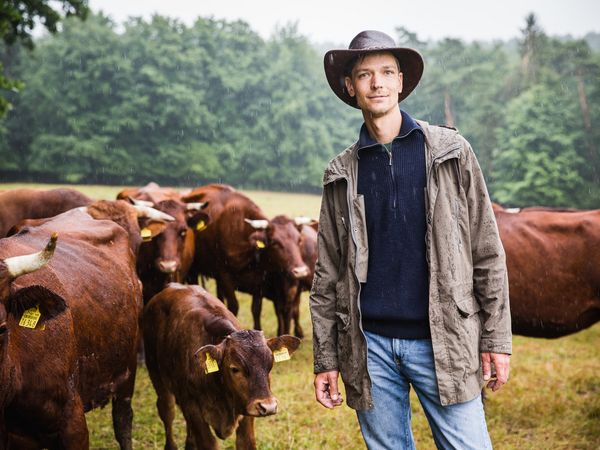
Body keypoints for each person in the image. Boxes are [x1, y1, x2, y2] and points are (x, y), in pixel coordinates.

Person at [310, 30, 512, 449]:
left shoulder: (450, 152)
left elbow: (487, 251)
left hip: (444, 338)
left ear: (402, 81)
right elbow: (326, 274)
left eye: (386, 72)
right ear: (350, 86)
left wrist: (495, 339)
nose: (377, 83)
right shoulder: (340, 173)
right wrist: (326, 359)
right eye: (365, 75)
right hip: (370, 347)